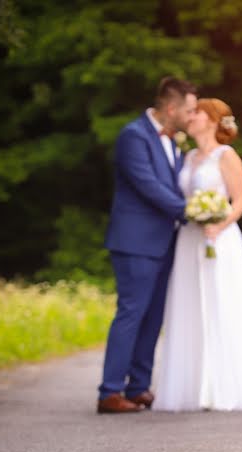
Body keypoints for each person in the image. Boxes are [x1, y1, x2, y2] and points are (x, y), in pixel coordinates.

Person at [153, 98, 242, 412]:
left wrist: (218, 224)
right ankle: (192, 388)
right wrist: (195, 217)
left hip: (220, 239)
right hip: (189, 238)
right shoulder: (187, 157)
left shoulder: (226, 155)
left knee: (224, 303)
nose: (191, 117)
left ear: (214, 120)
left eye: (197, 113)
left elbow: (240, 201)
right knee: (189, 305)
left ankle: (227, 385)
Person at [96, 77, 198, 414]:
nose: (191, 116)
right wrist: (191, 212)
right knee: (131, 313)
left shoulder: (173, 142)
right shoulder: (134, 136)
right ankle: (110, 392)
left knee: (153, 317)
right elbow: (148, 186)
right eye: (188, 109)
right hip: (135, 242)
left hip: (166, 241)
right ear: (171, 108)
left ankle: (138, 386)